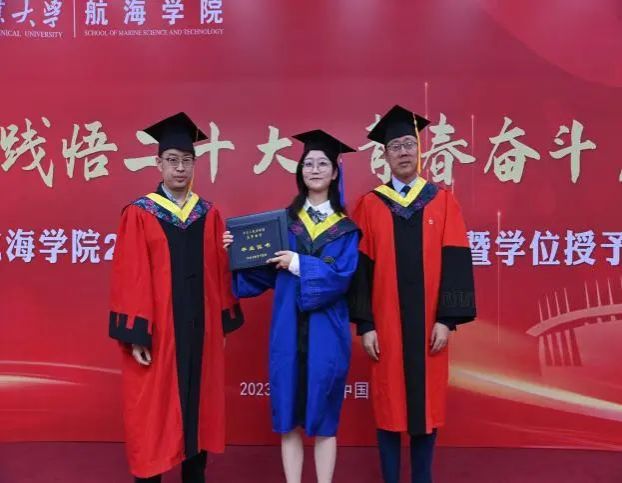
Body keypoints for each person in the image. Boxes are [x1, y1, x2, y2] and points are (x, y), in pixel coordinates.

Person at [108, 112, 244, 482]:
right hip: (162, 334)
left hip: (199, 331)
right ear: (158, 164)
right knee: (153, 415)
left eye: (186, 160)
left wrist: (220, 325)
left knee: (198, 410)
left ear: (194, 164)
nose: (180, 168)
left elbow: (218, 274)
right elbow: (131, 277)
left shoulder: (208, 214)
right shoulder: (140, 213)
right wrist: (137, 335)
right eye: (172, 160)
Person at [348, 105, 476, 483]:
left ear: (420, 150)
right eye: (395, 146)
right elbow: (360, 271)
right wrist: (366, 325)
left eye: (409, 144)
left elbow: (456, 261)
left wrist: (446, 320)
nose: (403, 152)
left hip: (429, 328)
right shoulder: (370, 205)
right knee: (388, 406)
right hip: (386, 328)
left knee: (426, 408)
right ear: (384, 155)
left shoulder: (443, 201)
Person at [223, 130, 359, 483]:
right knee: (288, 416)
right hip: (287, 328)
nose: (314, 169)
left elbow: (342, 277)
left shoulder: (347, 230)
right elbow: (263, 271)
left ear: (335, 172)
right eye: (308, 163)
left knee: (325, 418)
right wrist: (235, 252)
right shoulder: (284, 223)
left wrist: (297, 263)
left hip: (327, 331)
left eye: (322, 164)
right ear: (300, 171)